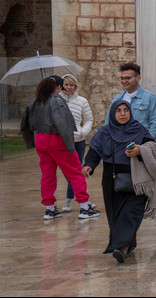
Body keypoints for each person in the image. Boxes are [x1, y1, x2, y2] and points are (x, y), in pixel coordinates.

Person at [82, 98, 156, 263]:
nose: (123, 114)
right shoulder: (105, 132)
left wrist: (140, 150)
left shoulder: (139, 129)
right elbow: (95, 150)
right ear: (113, 113)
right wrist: (89, 165)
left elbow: (152, 147)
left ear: (130, 112)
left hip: (138, 177)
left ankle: (122, 247)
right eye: (119, 110)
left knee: (131, 211)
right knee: (115, 214)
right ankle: (127, 243)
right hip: (112, 176)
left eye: (126, 110)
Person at [20, 75, 100, 221]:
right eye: (61, 85)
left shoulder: (35, 100)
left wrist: (30, 141)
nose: (63, 88)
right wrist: (70, 144)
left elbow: (24, 123)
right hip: (57, 139)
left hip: (41, 139)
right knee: (75, 172)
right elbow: (63, 122)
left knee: (47, 175)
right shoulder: (58, 100)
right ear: (57, 86)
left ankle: (49, 209)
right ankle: (84, 207)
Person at [106, 62, 156, 226]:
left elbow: (155, 124)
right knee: (127, 184)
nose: (124, 81)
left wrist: (144, 148)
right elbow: (108, 125)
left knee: (144, 181)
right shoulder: (117, 99)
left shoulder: (150, 98)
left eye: (128, 78)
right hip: (120, 152)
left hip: (140, 151)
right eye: (122, 78)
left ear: (138, 78)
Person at [60, 73, 93, 212]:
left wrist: (82, 132)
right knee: (67, 172)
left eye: (71, 85)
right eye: (66, 85)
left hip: (78, 141)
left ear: (75, 87)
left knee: (77, 172)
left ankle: (70, 199)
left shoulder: (82, 101)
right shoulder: (55, 100)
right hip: (61, 142)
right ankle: (83, 199)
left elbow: (88, 119)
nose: (68, 88)